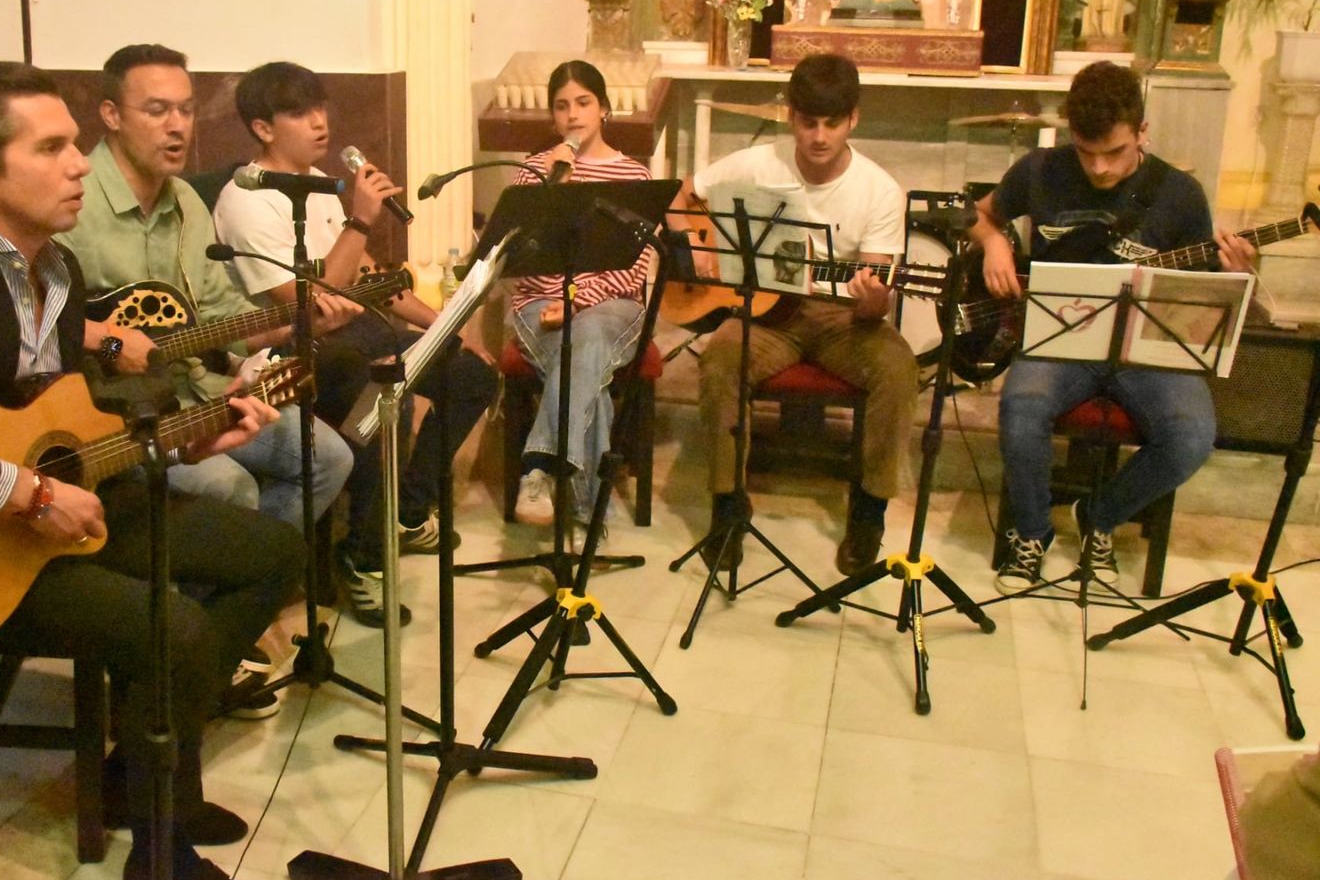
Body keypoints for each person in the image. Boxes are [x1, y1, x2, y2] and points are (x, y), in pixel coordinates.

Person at [0, 61, 305, 880]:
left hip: (65, 504)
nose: (79, 163)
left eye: (75, 146)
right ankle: (160, 859)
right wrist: (28, 491)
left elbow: (69, 424)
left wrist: (197, 437)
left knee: (274, 554)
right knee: (178, 629)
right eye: (50, 148)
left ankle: (147, 758)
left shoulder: (58, 271)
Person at [213, 61, 498, 628]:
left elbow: (369, 280)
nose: (319, 123)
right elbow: (308, 303)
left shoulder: (317, 185)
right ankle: (361, 557)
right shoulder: (246, 199)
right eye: (299, 112)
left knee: (471, 375)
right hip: (290, 348)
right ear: (263, 127)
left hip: (352, 331)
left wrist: (444, 325)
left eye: (321, 108)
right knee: (379, 398)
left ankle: (408, 511)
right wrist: (361, 220)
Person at [974, 61, 1254, 595]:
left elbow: (1194, 299)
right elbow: (979, 214)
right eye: (1087, 152)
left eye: (1115, 153)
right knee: (1021, 406)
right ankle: (1032, 532)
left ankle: (1098, 516)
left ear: (1143, 132)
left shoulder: (1180, 193)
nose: (1099, 168)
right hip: (1063, 335)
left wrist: (1234, 276)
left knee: (1192, 435)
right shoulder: (1041, 170)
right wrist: (993, 241)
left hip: (1146, 346)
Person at [57, 43, 354, 532]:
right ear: (111, 114)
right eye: (156, 110)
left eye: (186, 110)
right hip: (114, 416)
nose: (177, 125)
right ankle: (219, 592)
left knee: (329, 459)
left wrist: (295, 324)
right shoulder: (73, 206)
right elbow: (33, 317)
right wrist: (111, 342)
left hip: (198, 391)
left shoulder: (186, 203)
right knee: (228, 487)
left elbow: (221, 315)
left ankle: (252, 583)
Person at [692, 53, 918, 575]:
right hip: (769, 313)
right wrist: (696, 244)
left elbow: (876, 286)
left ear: (853, 119)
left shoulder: (879, 190)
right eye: (808, 122)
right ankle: (727, 504)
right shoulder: (757, 162)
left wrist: (873, 299)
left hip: (843, 319)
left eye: (832, 123)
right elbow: (687, 193)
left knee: (897, 369)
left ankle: (868, 510)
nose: (819, 136)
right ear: (790, 116)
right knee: (721, 358)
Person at [508, 60, 652, 533]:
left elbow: (634, 268)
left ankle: (539, 468)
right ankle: (590, 516)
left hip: (612, 306)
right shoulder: (534, 171)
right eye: (562, 106)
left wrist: (577, 296)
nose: (573, 115)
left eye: (583, 102)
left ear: (604, 108)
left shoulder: (633, 174)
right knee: (586, 366)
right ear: (553, 117)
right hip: (539, 306)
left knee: (587, 334)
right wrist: (554, 190)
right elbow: (520, 261)